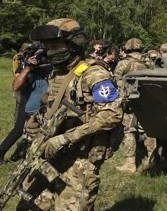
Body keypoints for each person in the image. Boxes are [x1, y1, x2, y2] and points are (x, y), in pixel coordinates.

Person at [16, 18, 123, 210]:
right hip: (48, 156)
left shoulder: (94, 74)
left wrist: (65, 139)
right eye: (48, 47)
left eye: (56, 45)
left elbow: (111, 114)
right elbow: (50, 105)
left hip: (79, 160)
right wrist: (34, 125)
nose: (51, 51)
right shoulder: (57, 73)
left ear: (75, 44)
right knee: (28, 205)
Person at [0, 43, 51, 164]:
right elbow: (16, 85)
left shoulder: (51, 65)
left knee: (43, 131)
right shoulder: (25, 65)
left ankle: (24, 154)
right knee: (19, 130)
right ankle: (1, 152)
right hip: (27, 101)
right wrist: (28, 67)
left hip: (46, 103)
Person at [114, 38, 157, 173]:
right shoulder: (148, 62)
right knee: (149, 130)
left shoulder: (123, 63)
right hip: (146, 101)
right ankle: (152, 159)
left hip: (129, 103)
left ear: (127, 48)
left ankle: (130, 164)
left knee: (129, 131)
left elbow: (116, 82)